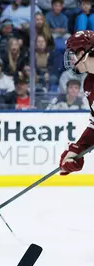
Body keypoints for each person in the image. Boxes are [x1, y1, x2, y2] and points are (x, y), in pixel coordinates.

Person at [59, 30, 94, 175]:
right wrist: (77, 149)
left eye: (72, 54)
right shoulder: (89, 83)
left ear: (83, 53)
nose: (72, 60)